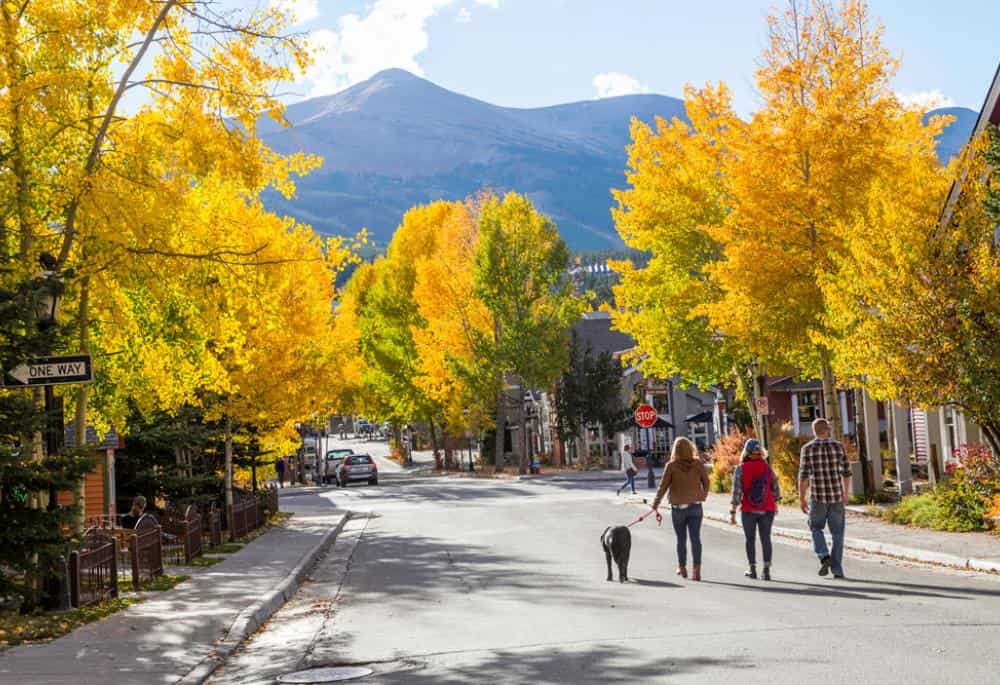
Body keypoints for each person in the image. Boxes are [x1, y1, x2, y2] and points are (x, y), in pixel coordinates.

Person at [799, 418, 852, 579]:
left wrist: (802, 497)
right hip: (836, 496)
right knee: (838, 533)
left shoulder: (807, 449)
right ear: (827, 430)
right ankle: (837, 569)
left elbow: (804, 476)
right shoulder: (838, 446)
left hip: (817, 496)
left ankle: (824, 555)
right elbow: (847, 472)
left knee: (815, 528)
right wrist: (845, 492)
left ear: (814, 431)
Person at [652, 437, 710, 581]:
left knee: (681, 539)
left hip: (678, 508)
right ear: (691, 448)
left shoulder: (671, 466)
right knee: (696, 538)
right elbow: (707, 482)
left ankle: (682, 567)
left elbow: (663, 486)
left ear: (675, 450)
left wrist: (656, 503)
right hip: (696, 506)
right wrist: (702, 496)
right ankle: (697, 571)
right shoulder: (698, 464)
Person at [729, 439, 780, 580]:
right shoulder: (767, 468)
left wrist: (733, 512)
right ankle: (767, 570)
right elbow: (775, 489)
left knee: (750, 539)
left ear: (746, 452)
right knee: (766, 538)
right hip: (767, 508)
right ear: (761, 452)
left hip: (749, 509)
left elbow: (736, 493)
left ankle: (752, 569)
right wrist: (775, 504)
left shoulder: (741, 468)